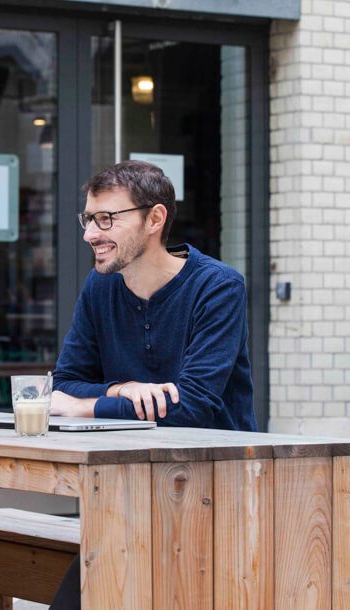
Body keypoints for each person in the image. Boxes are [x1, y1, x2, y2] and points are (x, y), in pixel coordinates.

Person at [48, 160, 256, 609]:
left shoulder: (218, 287)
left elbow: (192, 407)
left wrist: (88, 406)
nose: (90, 234)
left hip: (218, 491)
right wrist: (119, 390)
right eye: (89, 219)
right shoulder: (100, 288)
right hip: (131, 488)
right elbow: (63, 383)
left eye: (107, 219)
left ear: (155, 219)